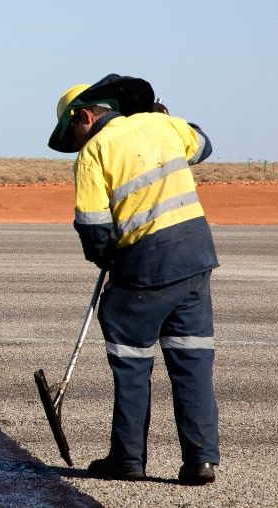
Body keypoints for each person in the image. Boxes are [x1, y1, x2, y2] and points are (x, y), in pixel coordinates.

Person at [47, 74, 219, 486]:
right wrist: (165, 117)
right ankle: (201, 461)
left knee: (131, 362)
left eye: (75, 130)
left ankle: (127, 458)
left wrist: (106, 258)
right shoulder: (163, 125)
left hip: (147, 265)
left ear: (85, 115)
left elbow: (92, 227)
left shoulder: (94, 152)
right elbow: (204, 145)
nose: (77, 141)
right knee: (192, 361)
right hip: (196, 258)